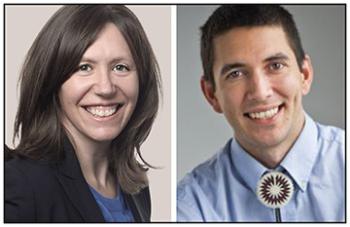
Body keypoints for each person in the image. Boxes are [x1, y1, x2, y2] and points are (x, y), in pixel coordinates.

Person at [177, 5, 344, 222]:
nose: (260, 92)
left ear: (304, 74)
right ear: (211, 94)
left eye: (275, 65)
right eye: (236, 74)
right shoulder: (189, 205)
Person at [5, 5, 161, 222]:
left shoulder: (137, 190)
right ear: (53, 80)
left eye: (120, 67)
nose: (105, 88)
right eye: (84, 67)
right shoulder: (20, 184)